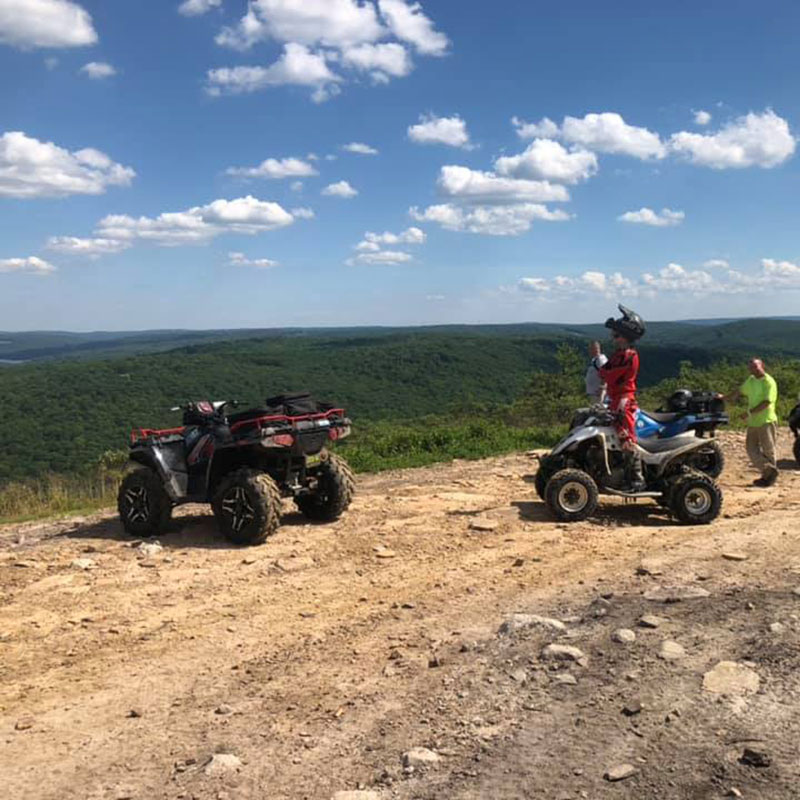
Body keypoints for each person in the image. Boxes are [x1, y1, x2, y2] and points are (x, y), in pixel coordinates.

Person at [600, 305, 646, 492]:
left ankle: (637, 480)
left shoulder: (628, 355)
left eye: (617, 334)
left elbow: (609, 374)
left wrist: (603, 370)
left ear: (627, 336)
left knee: (626, 438)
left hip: (623, 399)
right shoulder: (620, 354)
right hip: (615, 398)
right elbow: (607, 371)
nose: (614, 337)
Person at [723, 358, 779, 487]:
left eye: (756, 367)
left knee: (768, 450)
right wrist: (724, 398)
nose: (753, 369)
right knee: (751, 449)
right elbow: (739, 391)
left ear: (762, 366)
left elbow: (766, 402)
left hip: (766, 420)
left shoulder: (769, 382)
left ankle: (768, 478)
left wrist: (748, 413)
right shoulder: (751, 380)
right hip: (753, 422)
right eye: (751, 367)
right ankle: (769, 470)